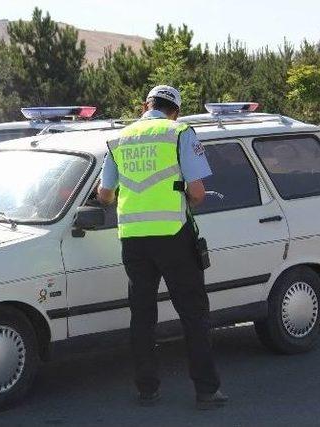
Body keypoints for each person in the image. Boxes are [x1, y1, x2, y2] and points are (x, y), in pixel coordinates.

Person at [97, 85, 228, 409]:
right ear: (176, 111)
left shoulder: (119, 139)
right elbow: (197, 192)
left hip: (133, 239)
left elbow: (104, 194)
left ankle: (146, 389)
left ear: (146, 105)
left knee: (142, 315)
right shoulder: (179, 131)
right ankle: (207, 391)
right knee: (193, 313)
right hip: (172, 234)